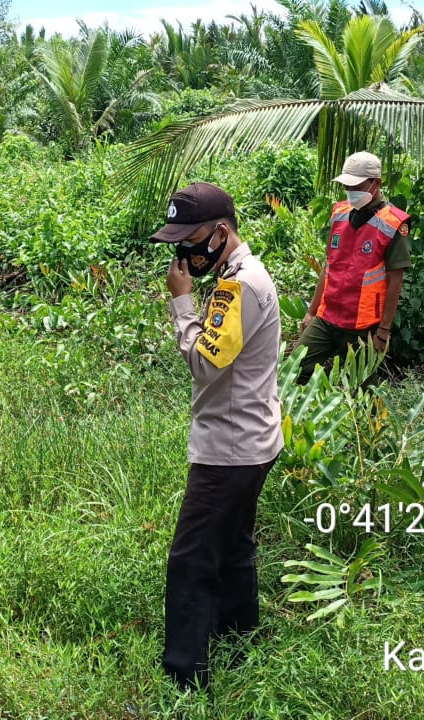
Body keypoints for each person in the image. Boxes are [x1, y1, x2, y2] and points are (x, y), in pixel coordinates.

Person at [150, 182, 283, 691]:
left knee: (192, 558)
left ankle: (185, 676)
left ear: (220, 233)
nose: (183, 252)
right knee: (233, 546)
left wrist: (182, 304)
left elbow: (204, 365)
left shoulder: (238, 286)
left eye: (190, 240)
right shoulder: (240, 276)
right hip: (252, 440)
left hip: (229, 448)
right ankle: (239, 637)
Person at [297, 151, 411, 384]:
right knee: (295, 369)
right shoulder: (340, 213)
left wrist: (384, 331)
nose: (351, 192)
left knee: (364, 391)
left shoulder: (393, 224)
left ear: (376, 184)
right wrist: (311, 311)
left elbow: (395, 281)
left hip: (363, 328)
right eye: (347, 187)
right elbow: (329, 266)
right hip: (327, 318)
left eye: (357, 186)